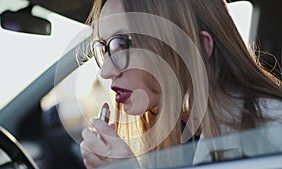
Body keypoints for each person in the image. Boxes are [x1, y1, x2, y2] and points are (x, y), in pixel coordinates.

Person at [78, 0, 282, 168]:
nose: (105, 72)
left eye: (121, 44)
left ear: (198, 49)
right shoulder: (167, 142)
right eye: (105, 49)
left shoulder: (273, 130)